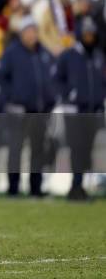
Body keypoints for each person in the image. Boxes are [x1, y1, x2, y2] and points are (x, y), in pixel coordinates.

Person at [0, 16, 56, 197]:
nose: (32, 35)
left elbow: (51, 79)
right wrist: (11, 100)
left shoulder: (43, 53)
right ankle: (13, 187)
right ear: (22, 33)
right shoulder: (12, 53)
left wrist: (50, 101)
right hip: (19, 109)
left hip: (39, 109)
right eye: (29, 31)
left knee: (37, 149)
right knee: (16, 149)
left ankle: (35, 188)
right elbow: (1, 78)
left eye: (34, 31)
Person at [54, 17, 106, 201]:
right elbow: (57, 79)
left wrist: (100, 101)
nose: (89, 37)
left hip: (92, 110)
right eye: (86, 34)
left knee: (87, 150)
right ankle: (75, 186)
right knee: (77, 149)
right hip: (74, 111)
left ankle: (80, 186)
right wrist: (69, 96)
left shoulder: (98, 56)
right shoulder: (69, 55)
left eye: (92, 34)